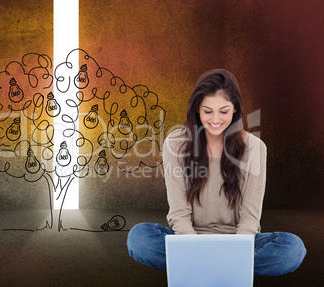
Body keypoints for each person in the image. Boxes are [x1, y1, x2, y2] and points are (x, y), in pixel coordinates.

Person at [126, 69, 306, 276]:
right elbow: (179, 213)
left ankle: (199, 266)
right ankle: (225, 268)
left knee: (292, 249)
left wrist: (237, 250)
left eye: (224, 111)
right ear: (197, 111)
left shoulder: (255, 147)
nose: (215, 119)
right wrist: (193, 247)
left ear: (235, 110)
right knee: (139, 237)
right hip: (188, 239)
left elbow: (250, 218)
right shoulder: (176, 143)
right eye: (207, 111)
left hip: (238, 241)